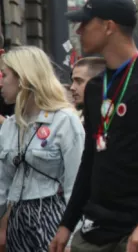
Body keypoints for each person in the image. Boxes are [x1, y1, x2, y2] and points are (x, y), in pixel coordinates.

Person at [51, 0, 138, 252]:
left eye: (86, 23)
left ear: (108, 26)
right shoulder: (95, 87)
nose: (78, 31)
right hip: (96, 228)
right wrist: (67, 222)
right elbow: (90, 158)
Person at [0, 46, 84, 251]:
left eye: (5, 75)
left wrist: (73, 239)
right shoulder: (10, 126)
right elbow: (2, 186)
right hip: (18, 223)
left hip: (55, 220)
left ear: (23, 78)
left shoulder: (65, 121)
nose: (0, 82)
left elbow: (77, 187)